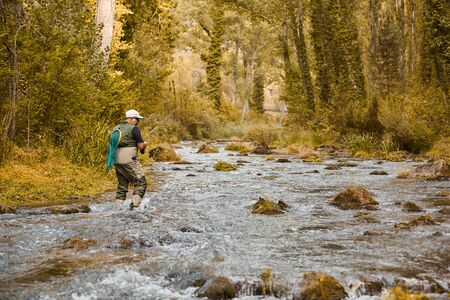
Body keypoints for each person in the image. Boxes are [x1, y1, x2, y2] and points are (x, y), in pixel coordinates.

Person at [113, 109, 148, 210]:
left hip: (116, 160)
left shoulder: (116, 128)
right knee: (141, 182)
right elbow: (141, 146)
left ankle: (118, 208)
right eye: (137, 119)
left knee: (122, 185)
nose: (137, 122)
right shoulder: (134, 129)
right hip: (129, 160)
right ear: (132, 119)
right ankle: (135, 207)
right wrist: (144, 145)